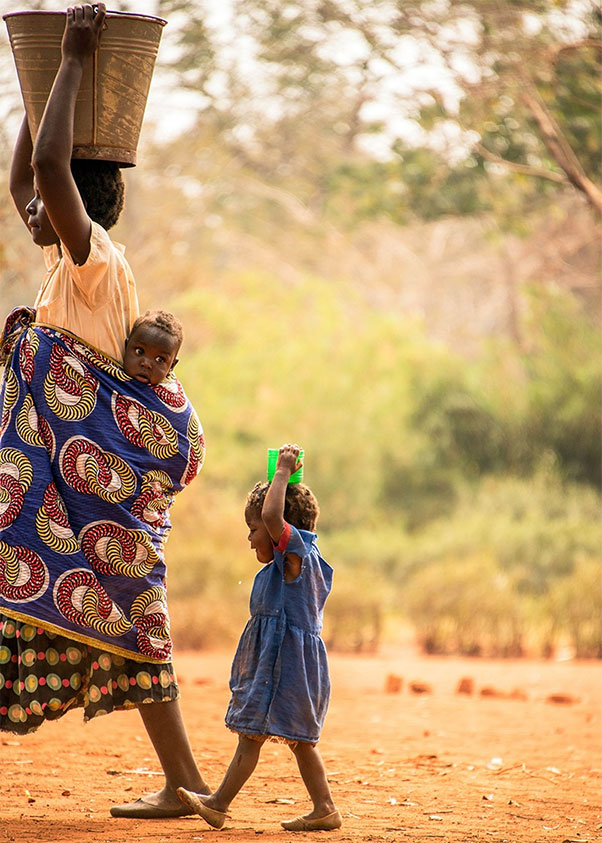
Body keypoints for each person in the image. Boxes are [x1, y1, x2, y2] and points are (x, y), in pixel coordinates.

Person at [2, 3, 210, 818]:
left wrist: (74, 61)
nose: (32, 216)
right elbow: (27, 178)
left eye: (51, 212)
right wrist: (36, 87)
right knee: (131, 622)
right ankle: (187, 778)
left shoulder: (96, 266)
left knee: (136, 619)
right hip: (59, 494)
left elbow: (49, 173)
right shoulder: (68, 261)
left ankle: (188, 780)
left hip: (96, 494)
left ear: (75, 212)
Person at [177, 444, 342, 832]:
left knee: (253, 736)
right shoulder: (294, 562)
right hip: (287, 666)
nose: (251, 539)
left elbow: (271, 513)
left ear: (278, 529)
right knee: (298, 742)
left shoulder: (296, 555)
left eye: (253, 530)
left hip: (286, 668)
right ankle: (324, 808)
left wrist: (282, 471)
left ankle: (218, 804)